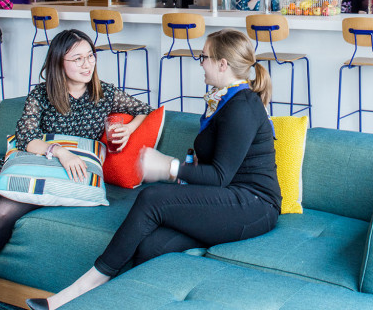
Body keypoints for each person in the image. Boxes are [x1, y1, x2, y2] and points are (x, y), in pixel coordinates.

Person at [29, 29, 280, 310]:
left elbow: (220, 177)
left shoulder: (242, 105)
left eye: (203, 57)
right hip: (227, 200)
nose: (200, 63)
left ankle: (82, 288)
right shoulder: (223, 100)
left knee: (153, 198)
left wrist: (167, 167)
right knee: (151, 247)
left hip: (254, 204)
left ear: (222, 64)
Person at [0, 29, 153, 310]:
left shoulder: (104, 93)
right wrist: (60, 152)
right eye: (78, 59)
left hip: (54, 179)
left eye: (91, 56)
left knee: (0, 213)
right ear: (59, 62)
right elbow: (25, 137)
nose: (87, 65)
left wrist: (127, 128)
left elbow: (147, 109)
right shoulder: (42, 93)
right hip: (26, 164)